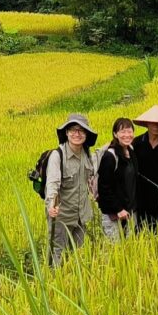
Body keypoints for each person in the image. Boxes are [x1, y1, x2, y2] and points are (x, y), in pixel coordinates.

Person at [44, 112, 97, 265]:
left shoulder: (87, 154)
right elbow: (52, 184)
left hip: (81, 215)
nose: (77, 134)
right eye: (73, 130)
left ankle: (72, 284)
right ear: (66, 133)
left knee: (76, 256)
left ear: (86, 134)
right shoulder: (57, 156)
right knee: (57, 255)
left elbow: (91, 175)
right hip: (62, 216)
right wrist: (50, 206)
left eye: (81, 130)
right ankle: (53, 284)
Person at [95, 116, 137, 240]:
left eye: (129, 131)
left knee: (131, 249)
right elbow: (104, 187)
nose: (127, 135)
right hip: (114, 214)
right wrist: (118, 209)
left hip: (130, 211)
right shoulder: (110, 156)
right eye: (122, 131)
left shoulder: (131, 151)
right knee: (114, 251)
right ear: (115, 134)